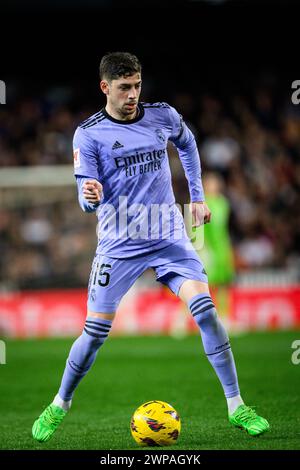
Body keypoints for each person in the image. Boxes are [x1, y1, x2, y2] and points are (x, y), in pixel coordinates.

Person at [32, 52, 269, 443]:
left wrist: (196, 196)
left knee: (206, 311)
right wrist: (89, 197)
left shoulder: (162, 115)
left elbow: (188, 144)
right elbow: (85, 197)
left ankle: (236, 406)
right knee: (93, 334)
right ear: (105, 87)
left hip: (168, 235)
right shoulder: (88, 134)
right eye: (124, 87)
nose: (133, 95)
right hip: (118, 243)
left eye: (137, 85)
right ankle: (60, 403)